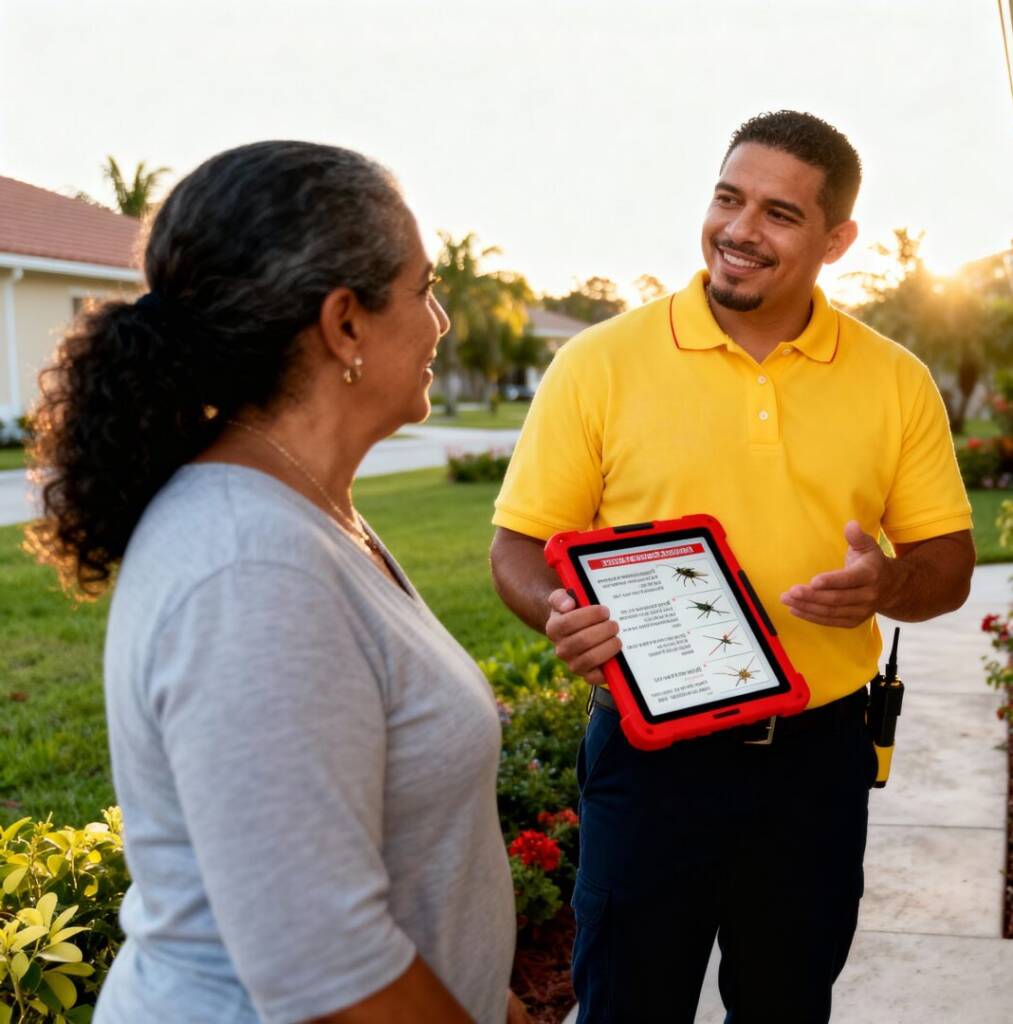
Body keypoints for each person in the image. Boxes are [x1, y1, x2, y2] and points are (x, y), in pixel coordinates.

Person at [27, 141, 530, 1024]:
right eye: (423, 290)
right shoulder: (248, 567)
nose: (440, 322)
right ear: (345, 324)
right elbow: (327, 976)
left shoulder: (307, 514)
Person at [489, 110, 974, 1023]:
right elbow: (517, 543)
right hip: (648, 757)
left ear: (837, 240)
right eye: (727, 198)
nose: (739, 231)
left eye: (779, 214)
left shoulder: (894, 379)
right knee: (627, 1005)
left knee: (787, 1005)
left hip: (817, 760)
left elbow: (948, 560)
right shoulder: (598, 363)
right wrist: (562, 610)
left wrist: (891, 584)